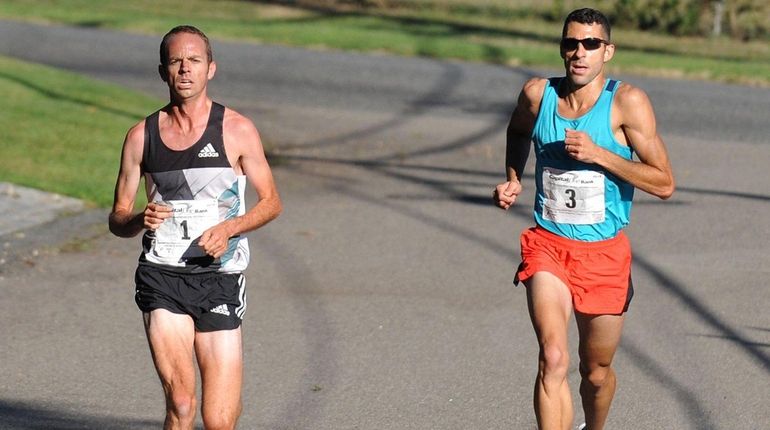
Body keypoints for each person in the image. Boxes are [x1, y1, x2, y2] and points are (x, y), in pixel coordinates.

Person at [493, 8, 674, 430]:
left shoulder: (626, 103)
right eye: (571, 43)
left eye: (591, 44)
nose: (580, 52)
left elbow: (664, 182)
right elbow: (519, 131)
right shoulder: (539, 96)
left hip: (604, 254)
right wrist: (513, 178)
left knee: (594, 374)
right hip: (548, 245)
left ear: (607, 51)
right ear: (561, 48)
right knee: (553, 358)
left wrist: (600, 155)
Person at [109, 25, 281, 430]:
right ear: (163, 71)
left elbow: (272, 202)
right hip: (162, 275)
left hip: (220, 276)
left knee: (218, 420)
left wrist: (230, 228)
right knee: (182, 404)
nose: (185, 69)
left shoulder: (236, 129)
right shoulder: (140, 137)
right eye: (175, 61)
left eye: (195, 61)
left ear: (211, 69)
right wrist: (137, 219)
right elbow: (117, 218)